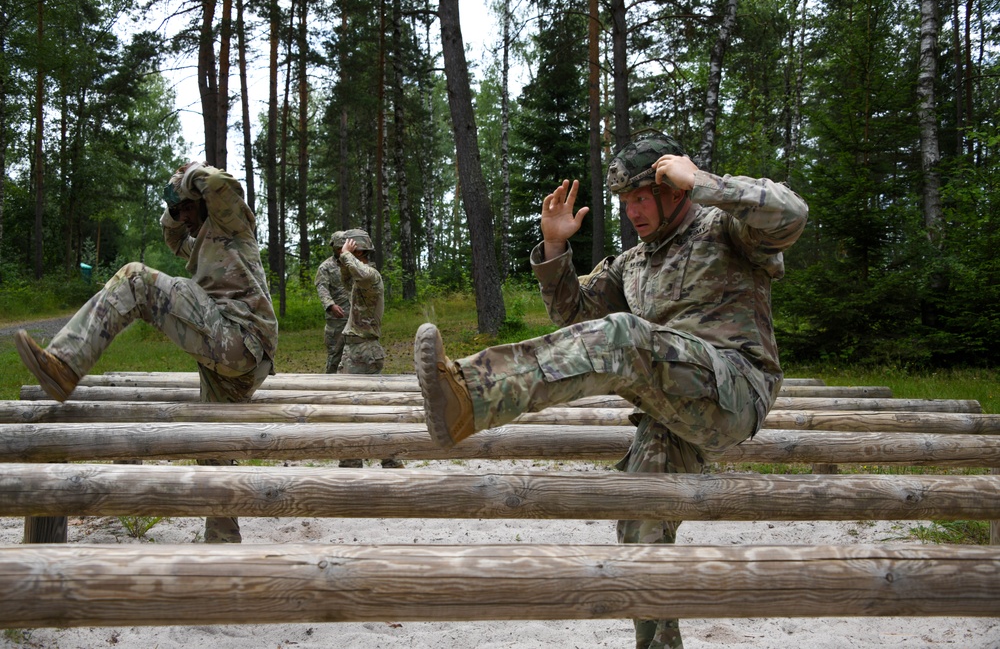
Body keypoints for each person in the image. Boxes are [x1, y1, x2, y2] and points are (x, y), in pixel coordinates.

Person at [413, 131, 808, 649]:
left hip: (734, 388)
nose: (633, 210)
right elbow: (575, 320)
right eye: (625, 200)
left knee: (623, 336)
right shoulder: (633, 262)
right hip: (671, 410)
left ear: (674, 191)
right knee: (641, 514)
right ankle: (658, 642)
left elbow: (791, 214)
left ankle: (468, 398)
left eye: (643, 195)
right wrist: (556, 248)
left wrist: (705, 181)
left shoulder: (726, 228)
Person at [14, 161, 278, 544]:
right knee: (212, 446)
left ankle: (65, 365)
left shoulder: (232, 223)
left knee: (136, 280)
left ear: (203, 202)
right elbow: (171, 239)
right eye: (178, 211)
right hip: (236, 361)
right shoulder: (201, 240)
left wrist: (189, 176)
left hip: (240, 339)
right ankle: (223, 540)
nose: (182, 216)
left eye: (187, 207)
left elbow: (220, 182)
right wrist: (174, 205)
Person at [335, 228, 404, 470]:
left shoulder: (371, 276)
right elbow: (346, 279)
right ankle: (384, 459)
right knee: (362, 409)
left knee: (353, 410)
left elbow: (360, 273)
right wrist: (345, 259)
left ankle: (356, 463)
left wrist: (347, 255)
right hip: (358, 350)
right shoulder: (359, 278)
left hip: (362, 351)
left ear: (359, 251)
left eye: (349, 250)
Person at [315, 230, 352, 374]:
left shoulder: (353, 264)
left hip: (356, 316)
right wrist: (330, 306)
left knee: (356, 354)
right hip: (337, 318)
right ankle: (329, 384)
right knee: (335, 354)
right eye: (338, 248)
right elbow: (322, 288)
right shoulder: (326, 267)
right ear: (333, 247)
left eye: (343, 247)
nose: (341, 250)